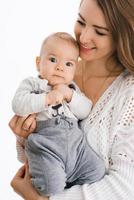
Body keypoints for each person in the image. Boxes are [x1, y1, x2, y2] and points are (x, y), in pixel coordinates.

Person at [9, 0, 134, 199]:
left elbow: (126, 187)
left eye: (100, 32)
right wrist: (23, 137)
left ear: (123, 35)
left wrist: (45, 199)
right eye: (81, 21)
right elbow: (34, 160)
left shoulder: (129, 95)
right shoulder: (60, 70)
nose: (83, 37)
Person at [11, 32, 105, 197]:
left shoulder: (72, 89)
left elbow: (86, 110)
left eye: (69, 64)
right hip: (46, 146)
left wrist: (68, 95)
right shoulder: (33, 84)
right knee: (51, 186)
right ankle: (51, 179)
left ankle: (70, 183)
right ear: (38, 63)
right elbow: (18, 104)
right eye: (53, 60)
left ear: (75, 68)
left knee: (97, 170)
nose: (60, 67)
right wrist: (46, 98)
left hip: (77, 148)